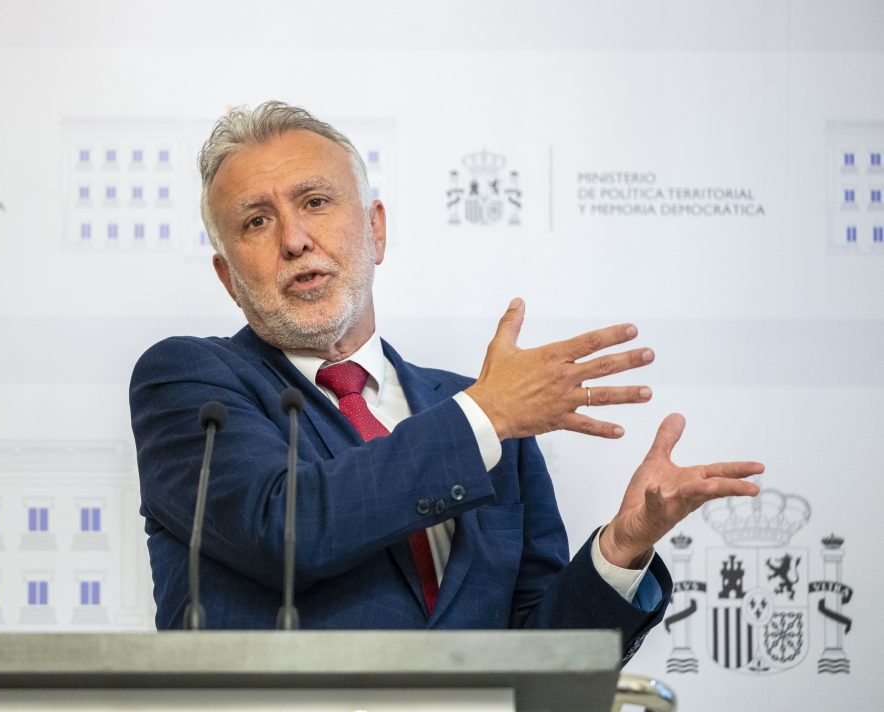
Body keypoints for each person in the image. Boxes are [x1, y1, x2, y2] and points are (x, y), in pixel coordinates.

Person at [129, 101, 763, 661]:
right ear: (227, 277)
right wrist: (485, 415)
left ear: (375, 229)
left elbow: (539, 655)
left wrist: (621, 550)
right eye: (256, 222)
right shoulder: (188, 384)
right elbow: (286, 530)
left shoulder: (487, 413)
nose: (294, 239)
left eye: (315, 202)